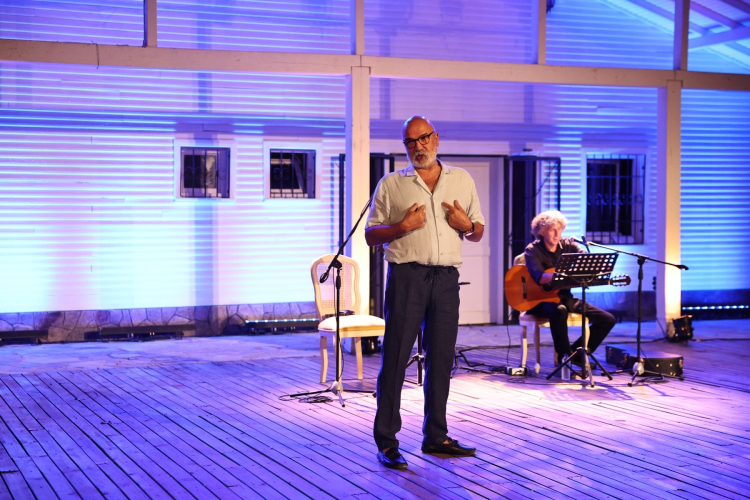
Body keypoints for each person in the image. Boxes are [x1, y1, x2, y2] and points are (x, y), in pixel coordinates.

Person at [365, 116, 485, 470]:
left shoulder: (462, 179)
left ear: (436, 139)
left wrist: (467, 225)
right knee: (395, 359)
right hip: (407, 278)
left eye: (423, 138)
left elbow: (477, 230)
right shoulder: (391, 184)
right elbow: (371, 235)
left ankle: (436, 437)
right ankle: (387, 442)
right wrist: (401, 227)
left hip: (446, 279)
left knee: (441, 360)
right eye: (410, 141)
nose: (417, 146)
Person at [523, 210, 616, 375]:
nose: (557, 234)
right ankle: (564, 357)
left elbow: (586, 260)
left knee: (607, 319)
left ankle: (577, 354)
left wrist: (597, 267)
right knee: (559, 310)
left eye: (560, 229)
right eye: (553, 230)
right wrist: (561, 275)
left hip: (565, 297)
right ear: (542, 231)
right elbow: (540, 277)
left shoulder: (569, 245)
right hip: (539, 301)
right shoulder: (533, 250)